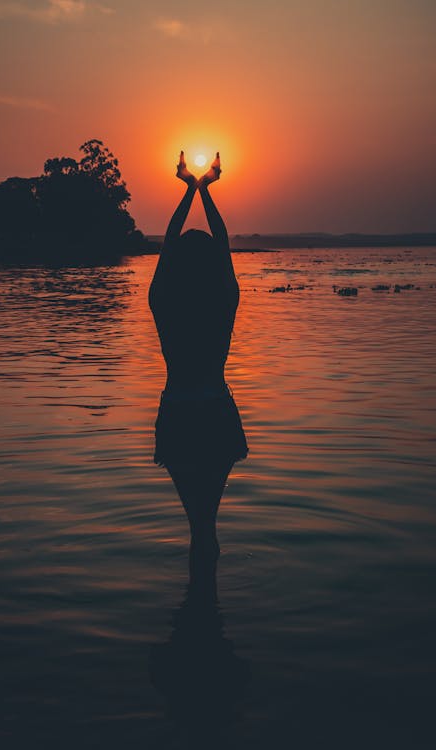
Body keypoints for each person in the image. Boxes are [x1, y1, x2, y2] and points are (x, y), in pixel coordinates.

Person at [149, 151, 248, 569]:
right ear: (212, 266)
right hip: (214, 412)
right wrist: (205, 190)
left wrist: (189, 188)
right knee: (207, 524)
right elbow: (223, 246)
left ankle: (197, 615)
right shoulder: (223, 302)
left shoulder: (164, 302)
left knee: (197, 525)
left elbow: (168, 247)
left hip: (179, 413)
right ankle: (208, 615)